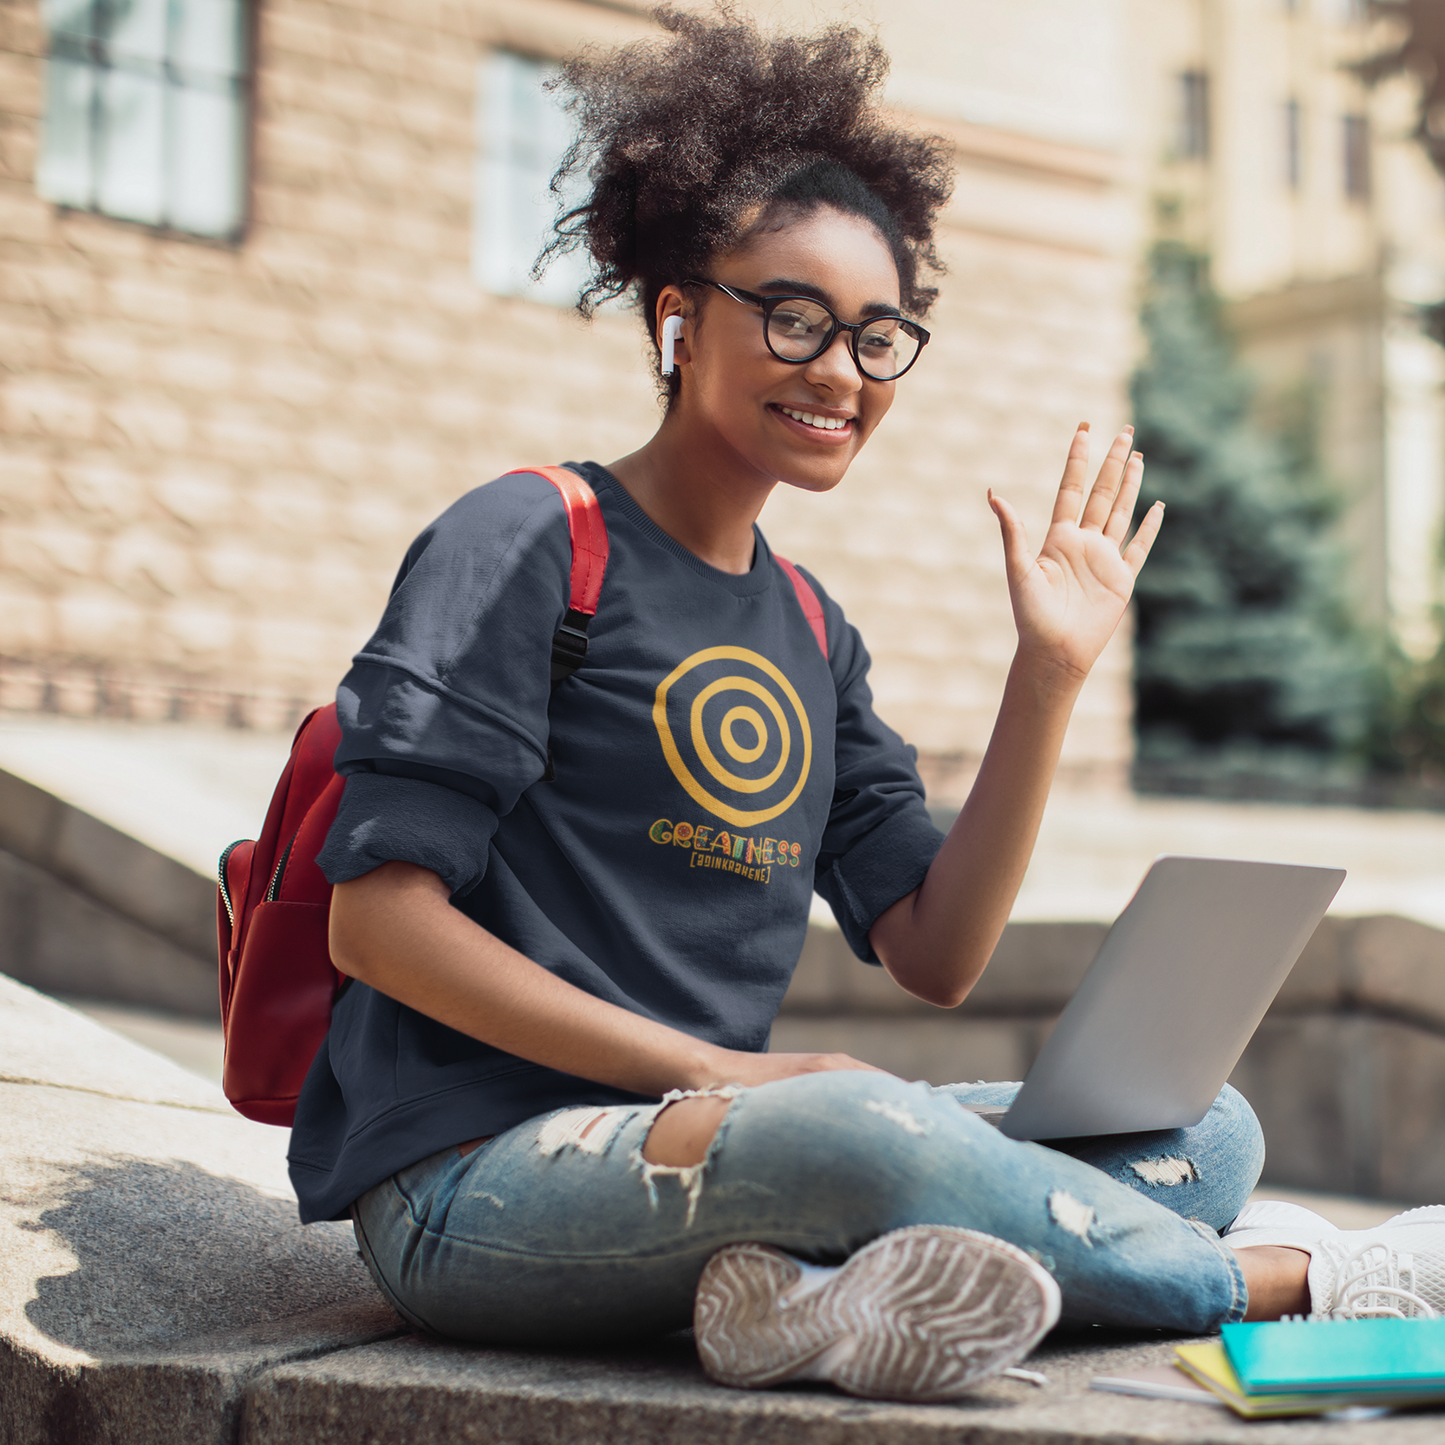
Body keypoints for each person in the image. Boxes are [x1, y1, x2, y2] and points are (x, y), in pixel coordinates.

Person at [288, 7, 1444, 1401]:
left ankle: (799, 1299)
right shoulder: (532, 537)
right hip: (475, 1176)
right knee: (861, 1138)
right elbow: (377, 923)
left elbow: (936, 950)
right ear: (675, 318)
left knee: (1202, 1136)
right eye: (792, 316)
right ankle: (1294, 1281)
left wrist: (1051, 675)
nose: (840, 368)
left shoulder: (811, 630)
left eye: (878, 334)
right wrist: (727, 1078)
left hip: (712, 1142)